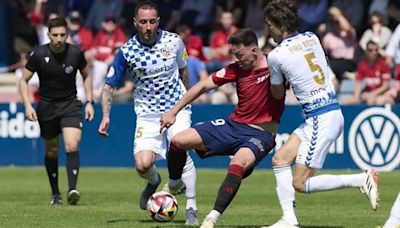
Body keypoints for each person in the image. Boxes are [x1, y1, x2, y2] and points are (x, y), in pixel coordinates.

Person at [263, 1, 379, 227]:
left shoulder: (276, 55)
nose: (268, 29)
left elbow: (277, 94)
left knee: (300, 183)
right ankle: (289, 220)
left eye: (269, 25)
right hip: (325, 112)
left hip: (320, 118)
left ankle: (360, 179)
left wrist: (272, 78)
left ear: (278, 25)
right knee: (280, 160)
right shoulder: (312, 37)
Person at [160, 29, 285, 228]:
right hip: (233, 125)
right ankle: (175, 183)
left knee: (237, 164)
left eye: (240, 55)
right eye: (234, 55)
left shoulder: (277, 65)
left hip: (261, 134)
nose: (237, 59)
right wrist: (173, 111)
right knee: (178, 141)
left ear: (254, 50)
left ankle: (211, 219)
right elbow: (202, 86)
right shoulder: (235, 69)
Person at [97, 1, 198, 225]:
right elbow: (109, 86)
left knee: (180, 145)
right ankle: (154, 182)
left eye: (152, 21)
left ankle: (191, 207)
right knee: (142, 165)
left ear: (158, 21)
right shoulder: (127, 51)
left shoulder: (174, 41)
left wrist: (184, 101)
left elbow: (183, 70)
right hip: (147, 114)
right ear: (135, 22)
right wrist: (105, 116)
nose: (148, 26)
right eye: (143, 22)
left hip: (175, 109)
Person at [19, 17, 94, 205]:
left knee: (71, 144)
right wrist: (28, 105)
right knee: (52, 151)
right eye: (55, 35)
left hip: (70, 105)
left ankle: (73, 190)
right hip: (47, 107)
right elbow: (23, 80)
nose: (59, 38)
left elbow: (87, 76)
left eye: (63, 34)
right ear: (48, 35)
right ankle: (55, 194)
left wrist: (90, 101)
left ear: (67, 34)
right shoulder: (38, 54)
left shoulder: (76, 53)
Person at [341, 41, 391, 105]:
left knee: (372, 100)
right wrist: (356, 97)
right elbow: (358, 83)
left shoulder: (383, 64)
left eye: (376, 50)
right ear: (366, 52)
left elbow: (385, 86)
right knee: (344, 101)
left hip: (381, 94)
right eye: (371, 50)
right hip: (368, 93)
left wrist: (372, 94)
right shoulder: (362, 65)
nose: (374, 52)